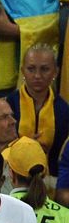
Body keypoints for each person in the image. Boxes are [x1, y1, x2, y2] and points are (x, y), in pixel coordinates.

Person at [5, 44, 68, 176]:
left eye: (44, 69)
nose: (37, 75)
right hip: (12, 175)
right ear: (22, 71)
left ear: (55, 72)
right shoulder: (8, 105)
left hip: (53, 177)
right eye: (31, 69)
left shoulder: (63, 109)